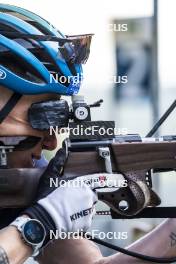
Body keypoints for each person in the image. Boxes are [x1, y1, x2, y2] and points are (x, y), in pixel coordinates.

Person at [0, 4, 176, 264]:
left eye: (58, 116)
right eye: (41, 115)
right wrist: (40, 222)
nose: (51, 139)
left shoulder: (27, 174)